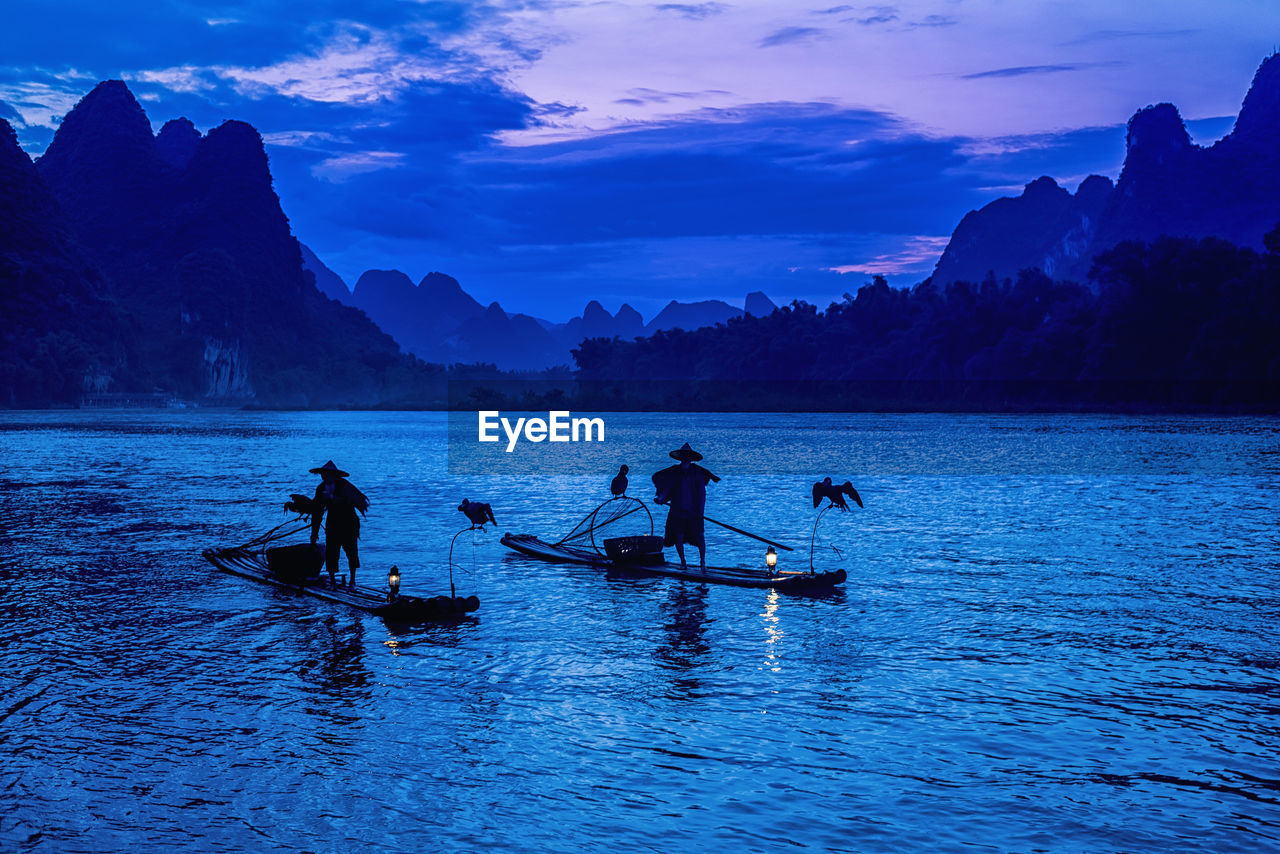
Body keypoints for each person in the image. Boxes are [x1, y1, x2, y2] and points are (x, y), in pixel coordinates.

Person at [651, 443, 720, 572]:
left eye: (687, 457)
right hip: (678, 510)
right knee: (679, 536)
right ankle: (683, 562)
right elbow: (668, 488)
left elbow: (701, 494)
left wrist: (700, 511)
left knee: (700, 536)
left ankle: (702, 563)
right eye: (684, 457)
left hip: (694, 511)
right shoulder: (675, 471)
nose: (685, 459)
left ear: (691, 458)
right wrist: (661, 499)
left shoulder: (697, 473)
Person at [308, 460, 369, 588]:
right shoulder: (321, 489)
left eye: (328, 474)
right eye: (323, 474)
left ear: (334, 475)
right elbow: (317, 511)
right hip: (333, 523)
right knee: (331, 552)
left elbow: (350, 501)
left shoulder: (344, 486)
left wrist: (332, 498)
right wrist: (314, 533)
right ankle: (332, 581)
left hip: (349, 522)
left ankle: (352, 581)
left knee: (351, 552)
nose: (325, 477)